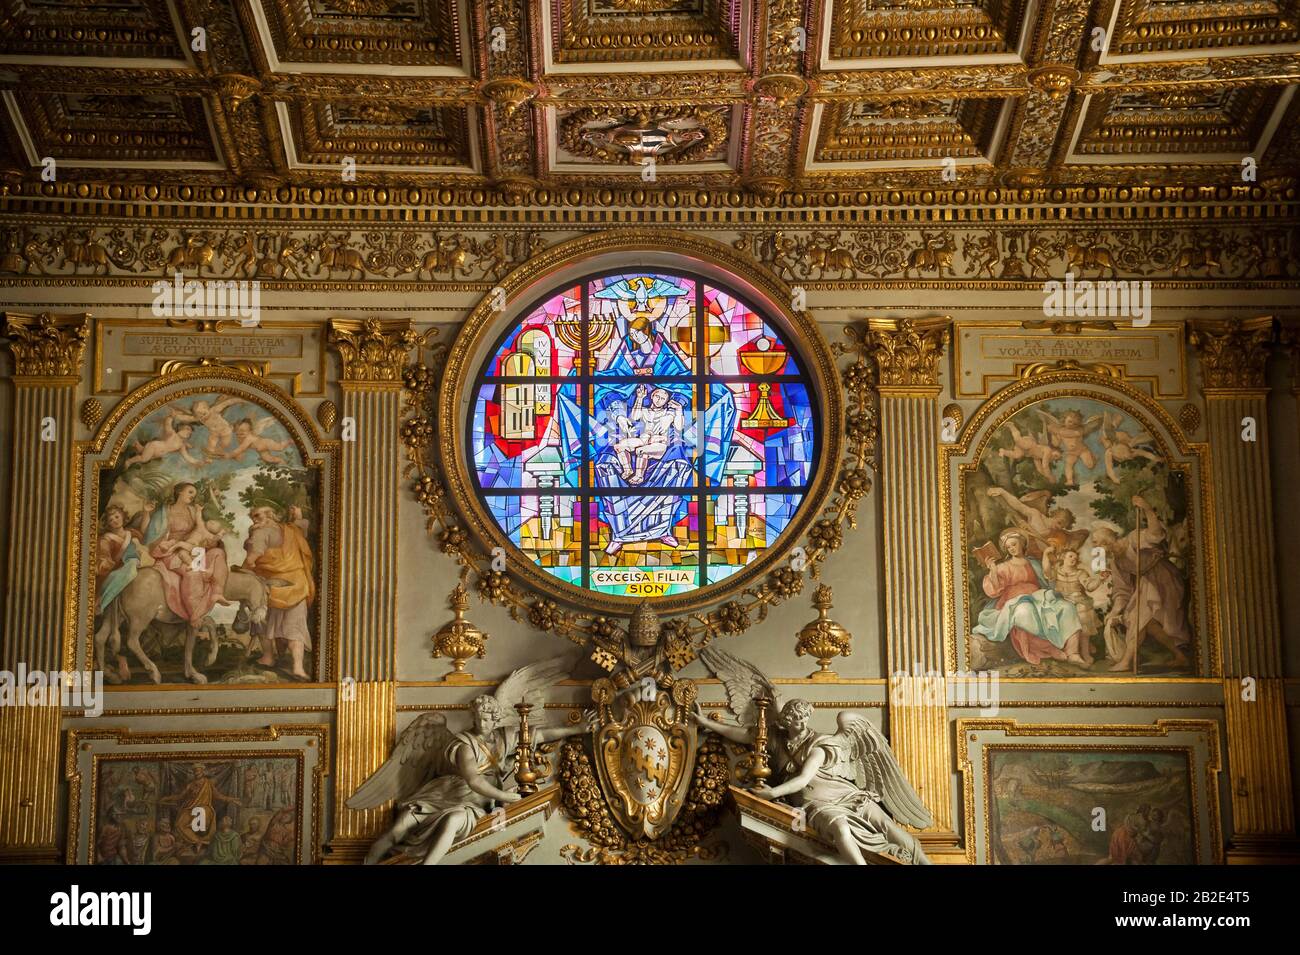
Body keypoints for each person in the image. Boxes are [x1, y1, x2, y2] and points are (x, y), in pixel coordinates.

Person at [1090, 495, 1192, 672]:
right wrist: (1114, 611)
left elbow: (1156, 534)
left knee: (1140, 616)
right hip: (1147, 584)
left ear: (1106, 540)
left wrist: (1146, 508)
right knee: (1147, 623)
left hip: (1164, 578)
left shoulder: (1133, 539)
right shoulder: (1116, 562)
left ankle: (1126, 661)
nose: (1095, 547)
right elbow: (1122, 591)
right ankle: (1180, 657)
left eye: (1096, 543)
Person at [973, 528, 1090, 666]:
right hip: (1015, 601)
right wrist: (992, 570)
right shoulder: (1003, 567)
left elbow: (1048, 580)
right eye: (1008, 547)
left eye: (1014, 544)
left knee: (1067, 607)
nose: (1011, 548)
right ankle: (1049, 648)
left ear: (1022, 543)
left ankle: (1073, 652)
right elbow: (994, 591)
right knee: (1025, 612)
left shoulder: (1033, 563)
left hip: (1038, 598)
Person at [242, 505, 315, 680]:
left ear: (270, 515)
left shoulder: (261, 532)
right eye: (253, 516)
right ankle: (296, 667)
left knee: (262, 621)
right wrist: (298, 516)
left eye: (257, 515)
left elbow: (253, 557)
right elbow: (301, 527)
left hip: (271, 586)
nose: (255, 519)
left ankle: (269, 658)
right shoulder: (290, 529)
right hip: (296, 584)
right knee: (294, 625)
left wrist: (243, 571)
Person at [145, 483, 230, 627]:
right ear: (179, 492)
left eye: (194, 494)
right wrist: (165, 542)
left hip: (193, 549)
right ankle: (195, 614)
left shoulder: (193, 511)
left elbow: (202, 530)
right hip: (171, 551)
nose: (192, 496)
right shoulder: (165, 511)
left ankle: (217, 592)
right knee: (193, 573)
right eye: (190, 492)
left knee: (218, 553)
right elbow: (150, 534)